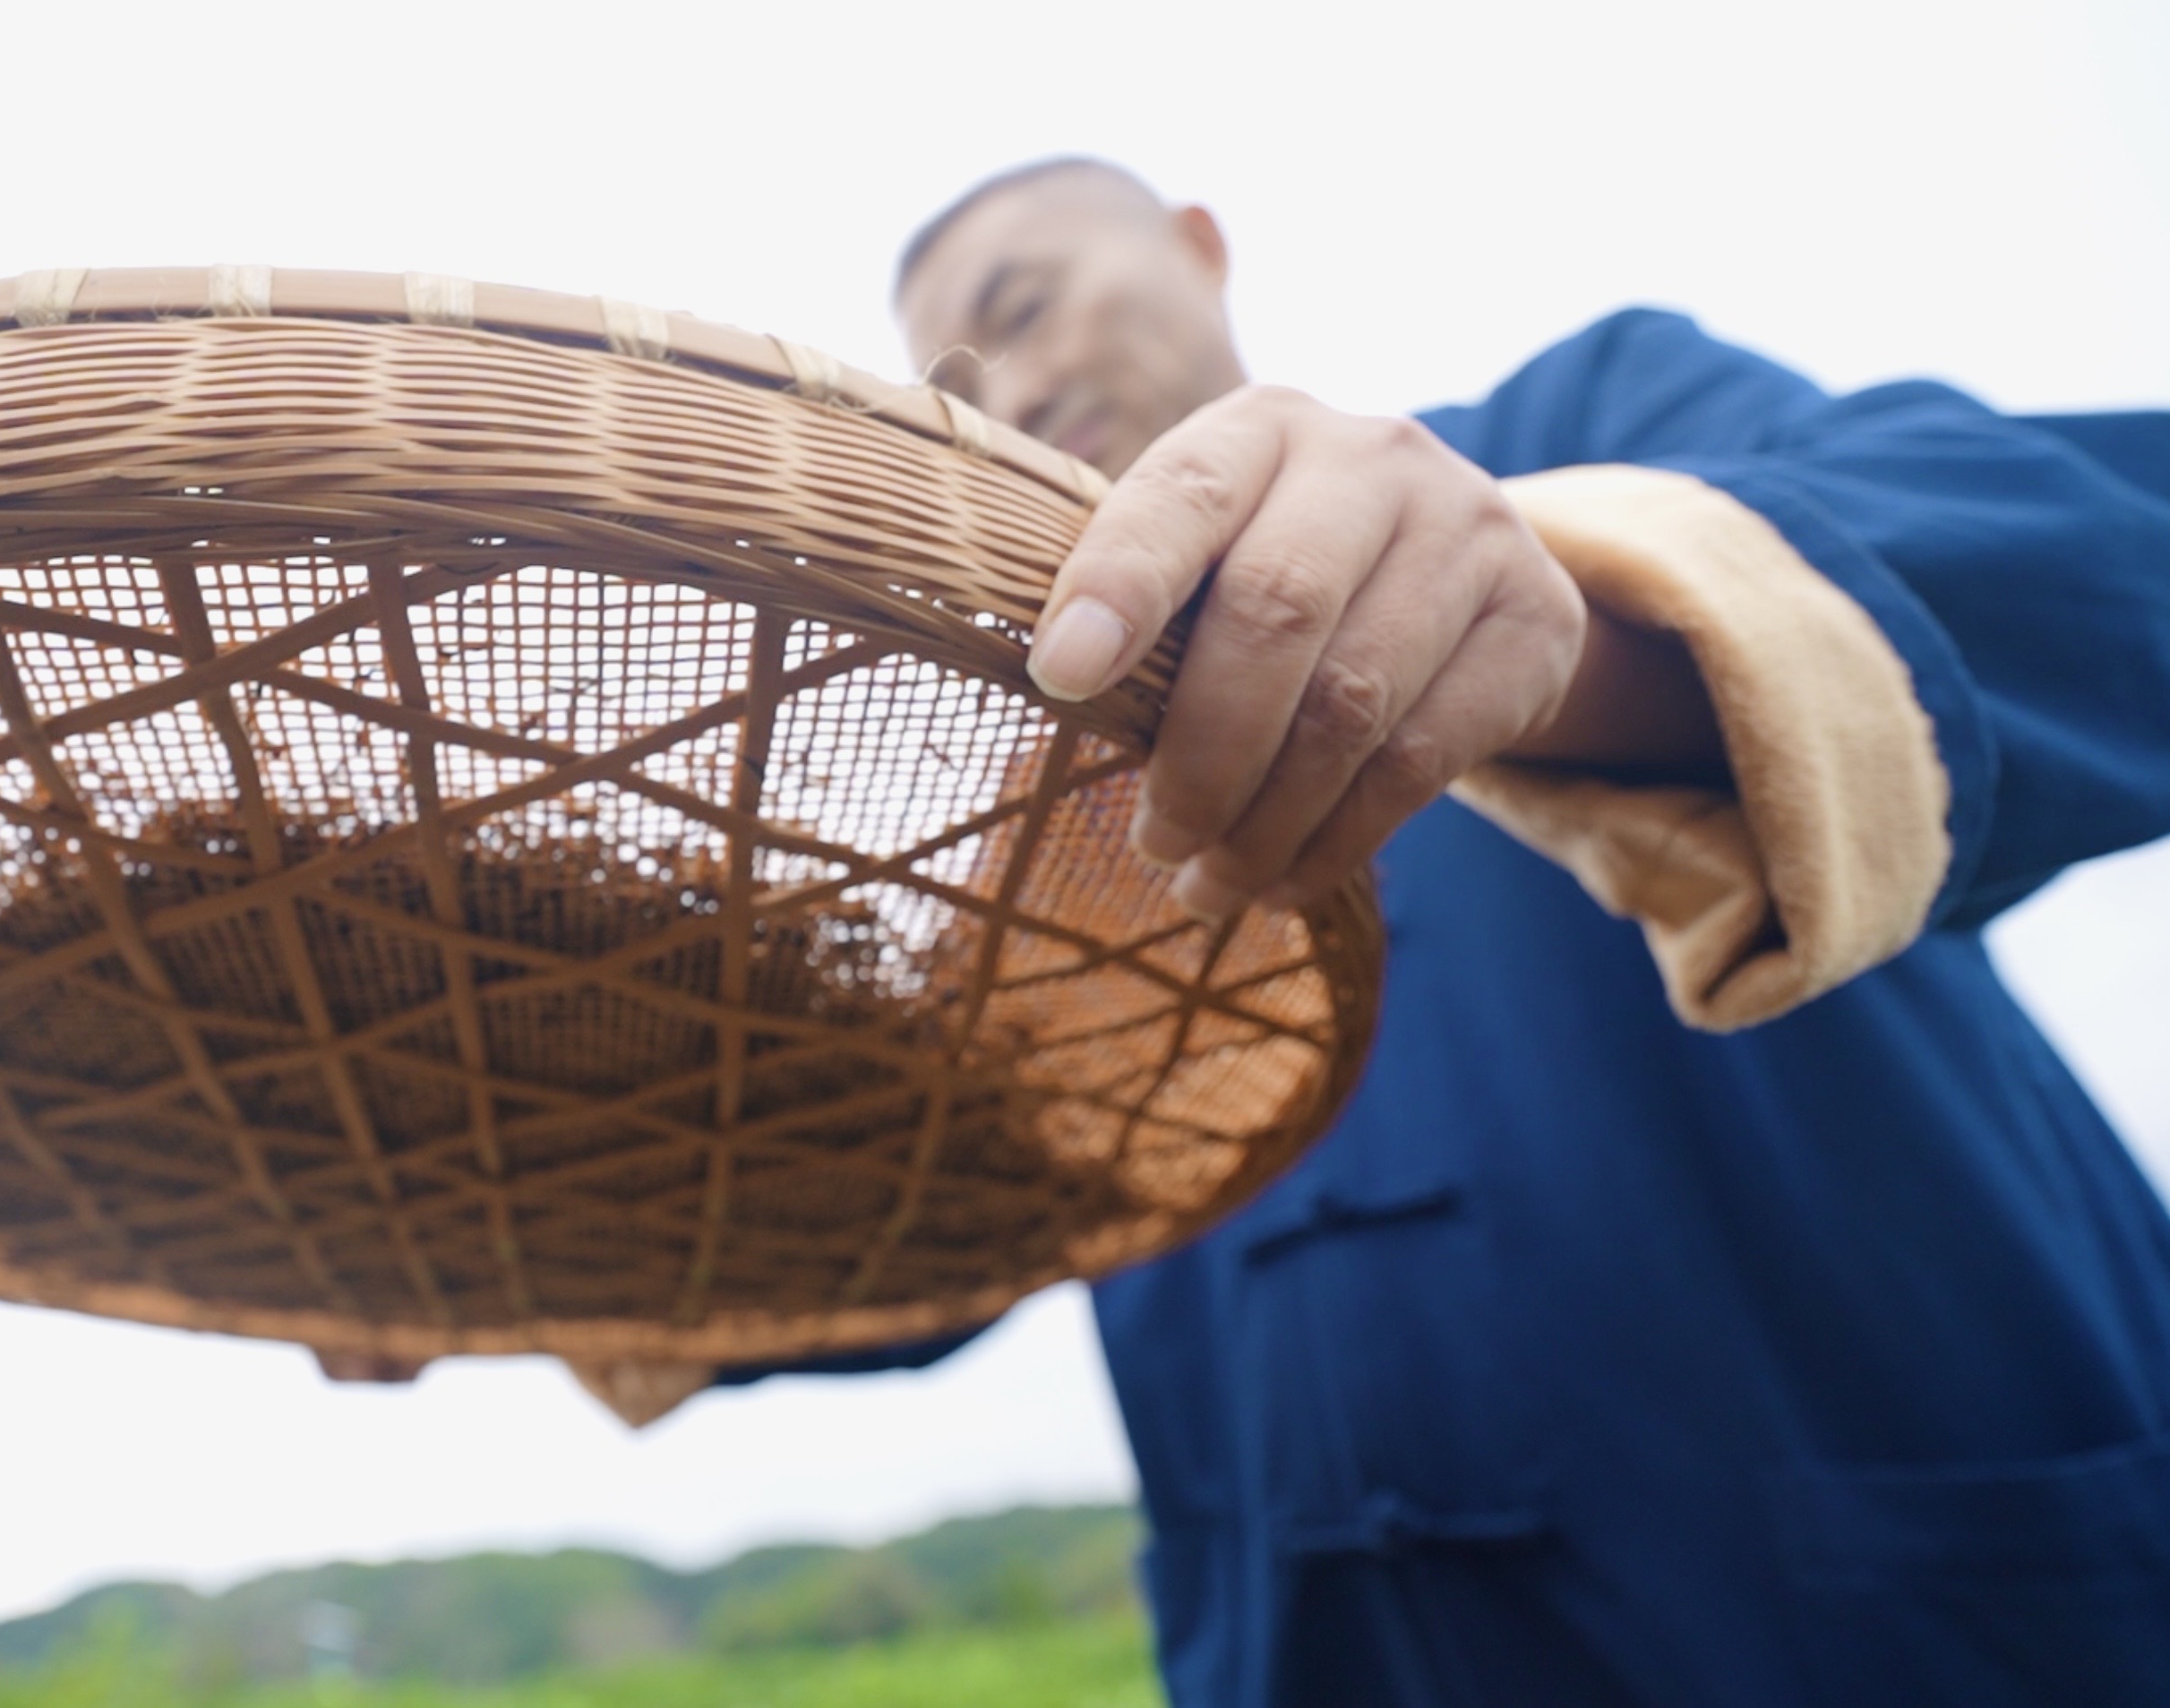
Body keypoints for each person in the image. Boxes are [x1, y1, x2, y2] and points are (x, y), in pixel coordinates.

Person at [721, 159, 2170, 1706]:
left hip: (1886, 1615)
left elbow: (2112, 559)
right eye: (953, 378)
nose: (1006, 385)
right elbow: (921, 1231)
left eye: (1025, 304)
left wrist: (1574, 636)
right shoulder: (1022, 834)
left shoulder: (1587, 428)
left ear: (1199, 250)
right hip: (1308, 1646)